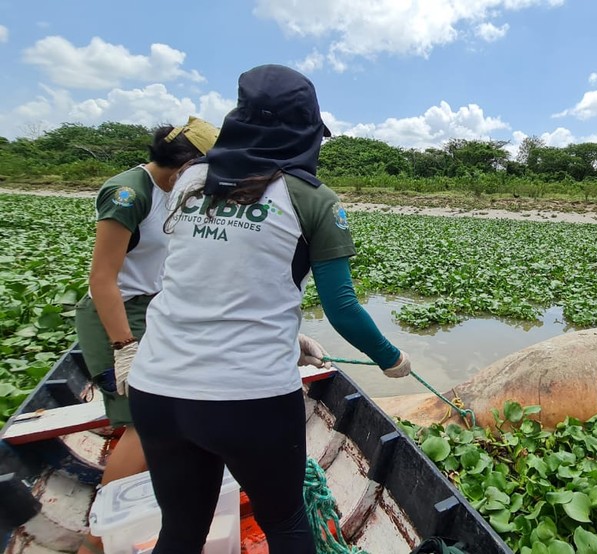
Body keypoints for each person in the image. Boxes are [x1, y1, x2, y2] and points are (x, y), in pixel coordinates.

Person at [124, 64, 412, 554]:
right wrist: (391, 358)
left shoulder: (191, 179)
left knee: (181, 529)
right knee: (285, 523)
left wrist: (291, 339)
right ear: (305, 131)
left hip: (156, 390)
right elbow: (342, 309)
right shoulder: (313, 198)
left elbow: (206, 277)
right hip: (248, 398)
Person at [74, 117, 219, 554]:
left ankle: (149, 500)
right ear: (186, 163)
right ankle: (95, 542)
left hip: (154, 310)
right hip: (115, 316)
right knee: (142, 422)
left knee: (168, 410)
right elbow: (102, 279)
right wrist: (124, 348)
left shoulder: (178, 194)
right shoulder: (128, 193)